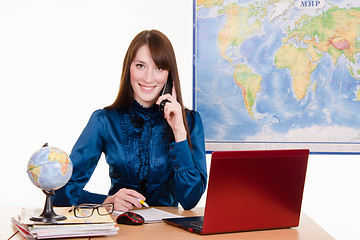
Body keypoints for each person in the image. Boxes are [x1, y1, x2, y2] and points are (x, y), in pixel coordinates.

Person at [53, 30, 207, 211]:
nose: (148, 78)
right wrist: (107, 201)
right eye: (140, 66)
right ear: (129, 68)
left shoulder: (190, 121)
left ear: (168, 74)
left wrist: (179, 133)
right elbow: (60, 192)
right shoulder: (104, 120)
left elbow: (190, 200)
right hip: (120, 228)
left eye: (159, 68)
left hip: (167, 231)